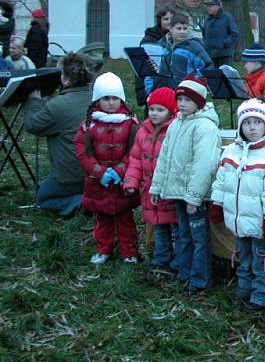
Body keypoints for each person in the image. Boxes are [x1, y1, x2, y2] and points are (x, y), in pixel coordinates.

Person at [210, 99, 265, 312]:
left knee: (261, 260)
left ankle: (262, 294)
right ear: (240, 126)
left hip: (260, 223)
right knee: (242, 255)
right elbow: (221, 181)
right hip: (238, 220)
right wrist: (217, 203)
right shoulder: (230, 153)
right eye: (247, 123)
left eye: (257, 122)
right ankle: (244, 286)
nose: (252, 127)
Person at [149, 76, 221, 294]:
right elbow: (165, 158)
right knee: (183, 233)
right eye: (179, 99)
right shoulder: (177, 124)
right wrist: (156, 187)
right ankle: (185, 272)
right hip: (178, 191)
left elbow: (205, 165)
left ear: (198, 102)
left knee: (198, 237)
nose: (181, 104)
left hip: (192, 195)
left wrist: (194, 196)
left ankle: (200, 280)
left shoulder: (205, 127)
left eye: (187, 100)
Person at [75, 73, 140, 265]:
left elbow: (135, 150)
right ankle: (104, 248)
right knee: (102, 219)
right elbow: (82, 152)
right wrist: (98, 171)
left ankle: (129, 251)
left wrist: (121, 170)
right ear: (97, 100)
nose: (111, 103)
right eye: (106, 98)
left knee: (125, 218)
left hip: (122, 181)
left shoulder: (130, 123)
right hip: (97, 182)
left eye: (114, 98)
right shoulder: (89, 125)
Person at [24, 53, 94, 217]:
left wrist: (34, 100)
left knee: (44, 198)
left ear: (66, 80)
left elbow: (33, 125)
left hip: (72, 176)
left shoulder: (59, 105)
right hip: (96, 172)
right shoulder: (97, 98)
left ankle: (80, 202)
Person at [123, 87, 179, 272]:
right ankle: (161, 258)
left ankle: (178, 260)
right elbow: (135, 159)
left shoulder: (175, 130)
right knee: (158, 225)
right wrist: (131, 181)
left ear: (171, 111)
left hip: (169, 190)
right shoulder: (143, 131)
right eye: (152, 109)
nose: (154, 113)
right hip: (149, 189)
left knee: (176, 228)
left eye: (160, 110)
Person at [144, 12, 213, 94]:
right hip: (161, 92)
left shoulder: (194, 48)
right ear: (170, 28)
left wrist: (193, 86)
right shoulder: (162, 47)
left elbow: (206, 68)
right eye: (179, 28)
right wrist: (150, 91)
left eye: (185, 28)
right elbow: (150, 71)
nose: (182, 32)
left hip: (185, 94)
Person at [135, 7, 175, 106]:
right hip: (152, 84)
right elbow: (141, 69)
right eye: (166, 19)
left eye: (172, 19)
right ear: (159, 20)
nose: (169, 22)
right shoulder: (149, 39)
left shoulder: (176, 38)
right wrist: (142, 94)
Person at [202, 0, 240, 67]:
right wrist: (206, 45)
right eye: (207, 6)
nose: (208, 8)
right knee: (213, 76)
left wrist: (224, 43)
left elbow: (235, 34)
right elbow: (204, 35)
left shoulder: (227, 18)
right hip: (210, 55)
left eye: (210, 6)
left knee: (225, 76)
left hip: (224, 55)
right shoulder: (207, 20)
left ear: (218, 6)